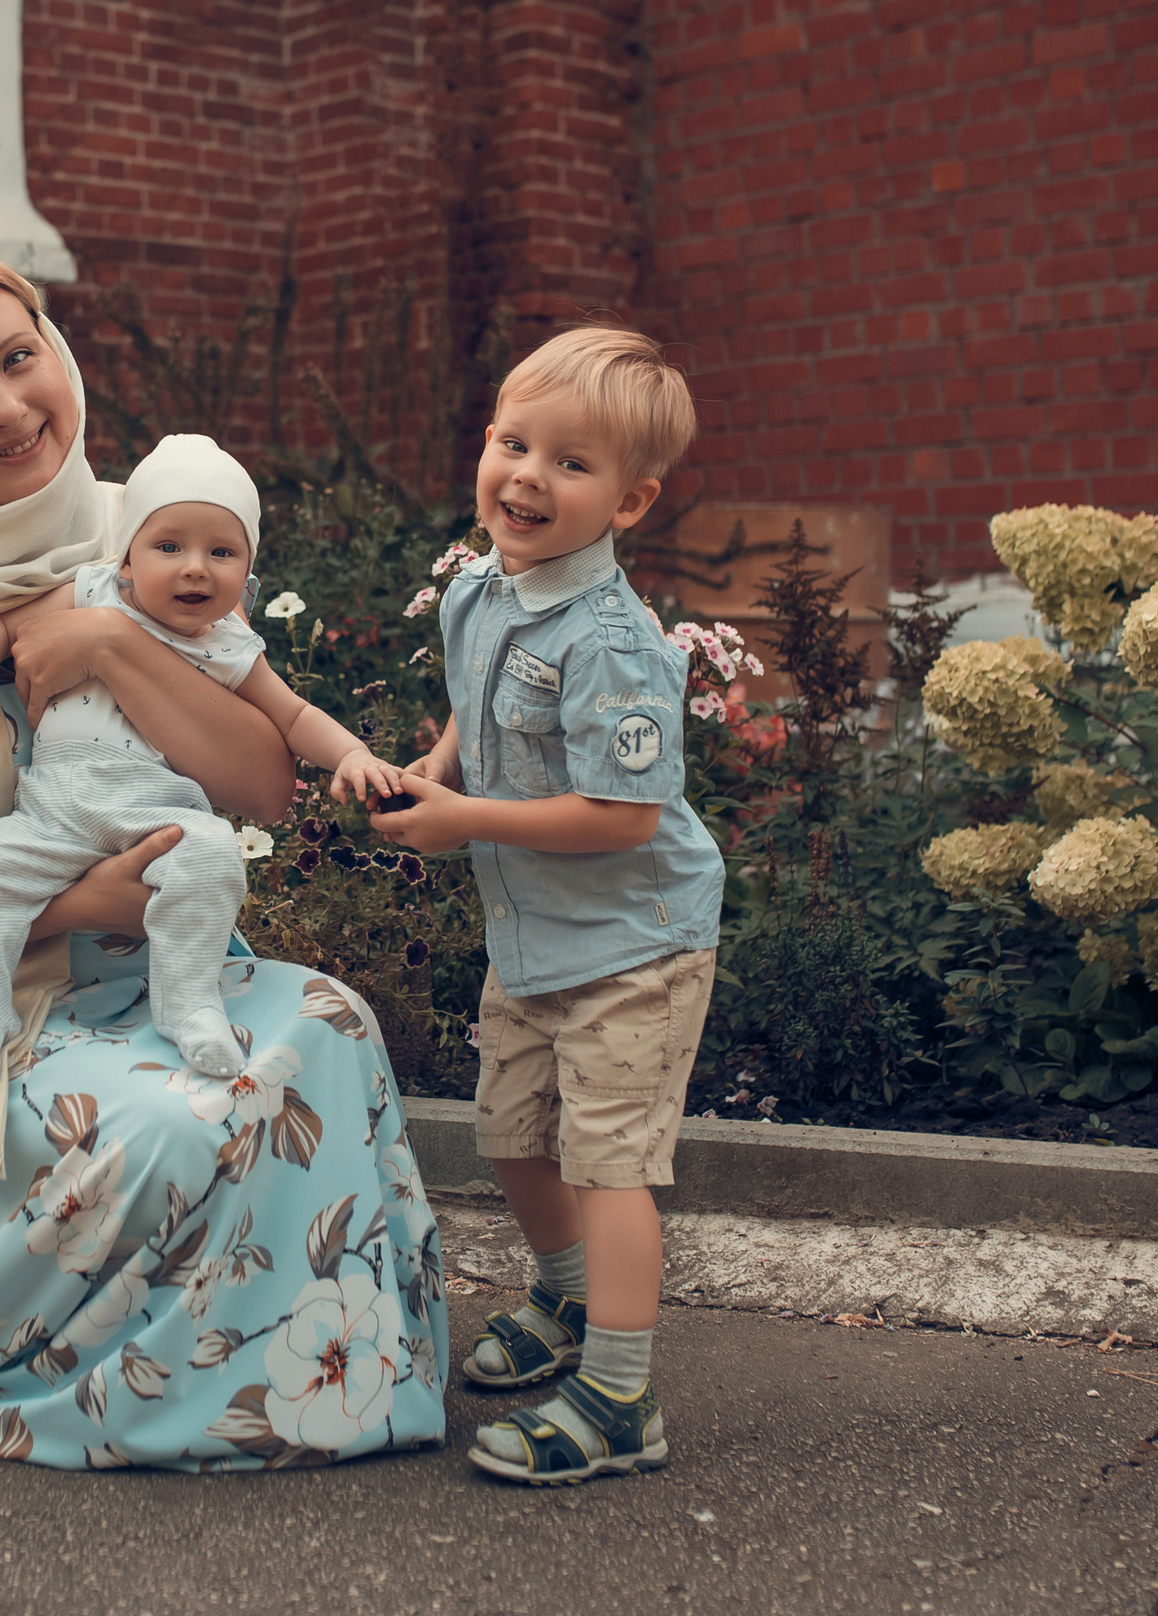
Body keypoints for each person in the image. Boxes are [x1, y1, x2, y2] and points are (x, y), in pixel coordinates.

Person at [0, 248, 447, 1473]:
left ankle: (334, 1376)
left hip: (157, 954)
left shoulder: (147, 540)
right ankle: (156, 1395)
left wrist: (113, 649)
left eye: (18, 357)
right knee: (169, 1127)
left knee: (332, 1020)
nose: (6, 406)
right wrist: (82, 902)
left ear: (55, 353)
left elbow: (261, 779)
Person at [373, 325, 719, 1486]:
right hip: (532, 935)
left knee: (607, 1162)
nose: (526, 475)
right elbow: (482, 711)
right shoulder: (479, 593)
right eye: (514, 443)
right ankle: (570, 1300)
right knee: (514, 1137)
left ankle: (621, 1396)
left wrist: (464, 822)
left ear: (630, 501)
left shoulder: (615, 643)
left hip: (635, 942)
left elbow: (621, 818)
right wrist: (437, 770)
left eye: (570, 463)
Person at [0, 433, 405, 1093]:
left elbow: (294, 715)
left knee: (213, 854)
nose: (195, 568)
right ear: (127, 559)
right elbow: (1, 629)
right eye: (170, 547)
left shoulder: (228, 644)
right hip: (51, 812)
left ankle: (188, 1004)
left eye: (221, 552)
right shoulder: (91, 591)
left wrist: (354, 754)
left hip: (157, 813)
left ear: (247, 574)